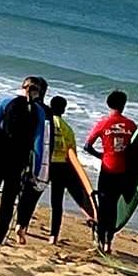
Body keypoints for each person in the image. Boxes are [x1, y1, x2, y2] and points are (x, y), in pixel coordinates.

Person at [0, 76, 52, 245]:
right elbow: (39, 143)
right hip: (19, 157)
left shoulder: (6, 102)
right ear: (38, 93)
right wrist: (36, 170)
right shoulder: (39, 111)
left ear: (22, 87)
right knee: (9, 200)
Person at [85, 90, 136, 254]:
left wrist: (102, 156)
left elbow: (87, 146)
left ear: (108, 103)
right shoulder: (131, 125)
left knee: (103, 206)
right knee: (113, 207)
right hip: (124, 172)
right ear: (123, 105)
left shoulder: (103, 123)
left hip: (107, 169)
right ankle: (108, 243)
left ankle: (100, 242)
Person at [39, 95, 95, 244]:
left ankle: (22, 227)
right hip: (61, 167)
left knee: (32, 197)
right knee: (57, 203)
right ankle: (53, 236)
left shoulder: (45, 123)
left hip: (44, 164)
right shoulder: (67, 129)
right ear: (63, 110)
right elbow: (72, 156)